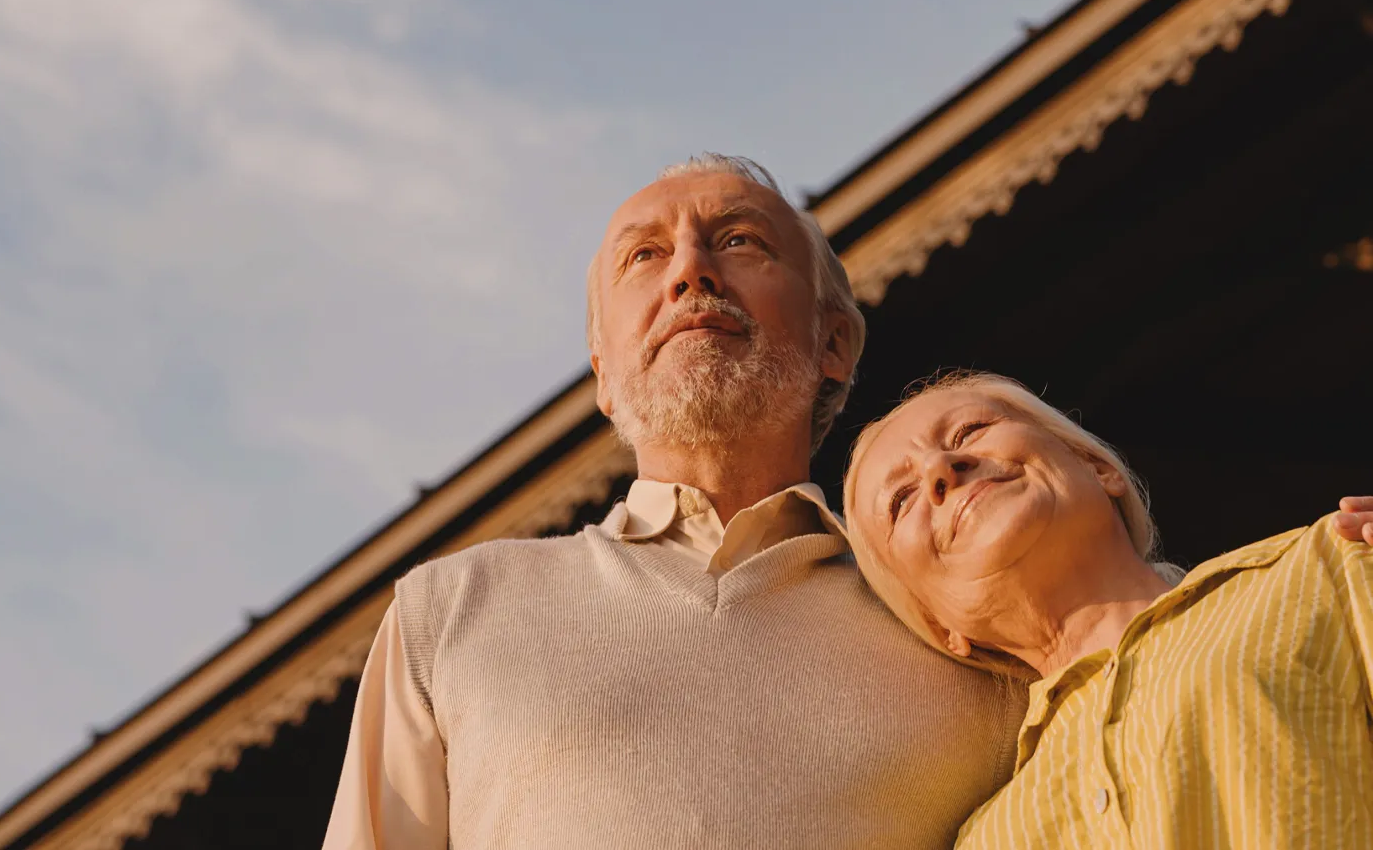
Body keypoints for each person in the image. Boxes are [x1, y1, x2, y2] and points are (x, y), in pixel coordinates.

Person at [320, 157, 1029, 850]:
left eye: (739, 241)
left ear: (834, 341)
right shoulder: (448, 611)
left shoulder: (957, 623)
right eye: (644, 256)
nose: (691, 272)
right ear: (603, 373)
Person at [842, 370, 1373, 849]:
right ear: (939, 625)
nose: (942, 467)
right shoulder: (988, 840)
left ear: (1098, 467)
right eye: (901, 499)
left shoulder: (1331, 566)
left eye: (970, 431)